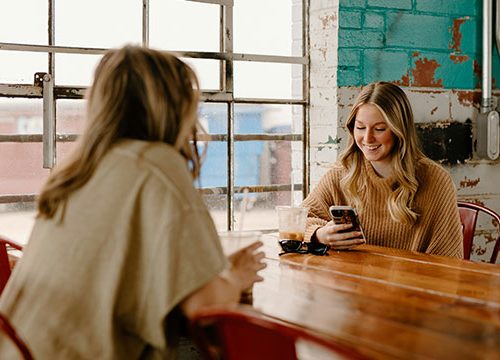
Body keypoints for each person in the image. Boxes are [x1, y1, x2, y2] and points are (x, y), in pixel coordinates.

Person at [0, 45, 266, 359]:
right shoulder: (156, 164)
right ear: (173, 106)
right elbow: (205, 306)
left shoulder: (81, 169)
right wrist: (236, 278)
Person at [302, 81, 463, 258]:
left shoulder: (436, 180)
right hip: (353, 283)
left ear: (398, 131)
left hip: (412, 283)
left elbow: (449, 262)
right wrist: (319, 234)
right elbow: (298, 221)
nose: (367, 138)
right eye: (360, 127)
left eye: (379, 129)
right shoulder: (342, 173)